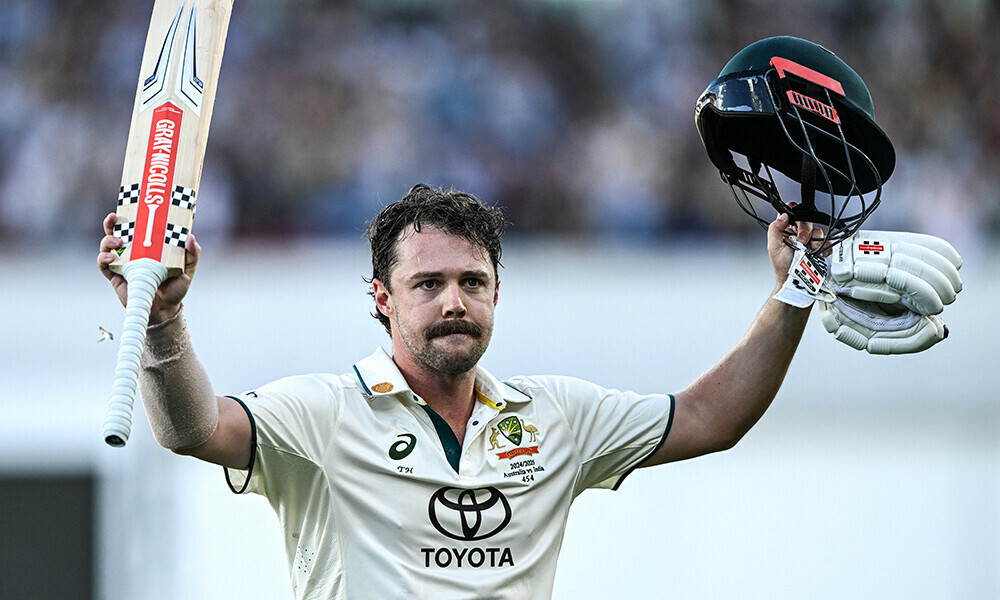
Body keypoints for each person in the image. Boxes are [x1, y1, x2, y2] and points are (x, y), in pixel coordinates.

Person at [98, 181, 817, 599]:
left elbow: (709, 417)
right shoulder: (322, 412)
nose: (454, 302)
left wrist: (794, 290)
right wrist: (163, 322)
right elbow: (193, 431)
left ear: (497, 292)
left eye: (472, 283)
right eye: (428, 284)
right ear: (382, 298)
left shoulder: (556, 415)